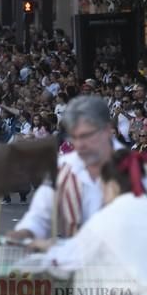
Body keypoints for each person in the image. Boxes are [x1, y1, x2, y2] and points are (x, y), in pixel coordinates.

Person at [17, 150, 147, 295]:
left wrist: (45, 248)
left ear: (112, 186)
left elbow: (73, 257)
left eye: (103, 189)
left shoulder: (109, 217)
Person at [8, 95, 121, 241]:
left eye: (87, 135)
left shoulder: (131, 166)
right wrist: (26, 231)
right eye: (74, 135)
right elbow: (40, 213)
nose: (79, 144)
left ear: (106, 130)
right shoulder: (65, 165)